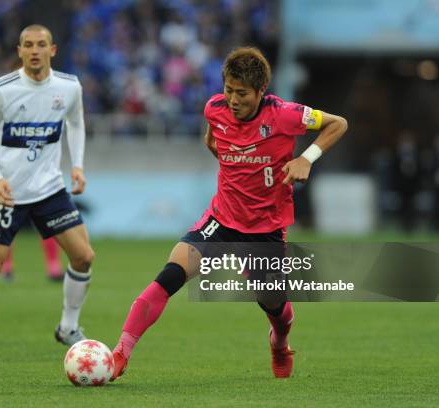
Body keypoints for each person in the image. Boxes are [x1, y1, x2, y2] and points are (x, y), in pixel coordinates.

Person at [110, 47, 348, 380]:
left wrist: (306, 158)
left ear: (260, 91)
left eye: (242, 93)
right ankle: (120, 354)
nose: (233, 100)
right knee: (169, 276)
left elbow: (338, 123)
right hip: (219, 221)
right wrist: (217, 147)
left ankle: (279, 343)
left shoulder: (286, 114)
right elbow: (213, 136)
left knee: (275, 308)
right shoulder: (215, 109)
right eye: (228, 90)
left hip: (265, 229)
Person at [0, 24, 95, 363]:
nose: (35, 50)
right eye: (28, 45)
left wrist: (77, 165)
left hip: (50, 189)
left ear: (53, 49)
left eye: (41, 44)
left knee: (84, 257)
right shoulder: (2, 89)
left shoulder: (69, 87)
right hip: (9, 192)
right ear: (19, 51)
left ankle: (68, 327)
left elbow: (76, 124)